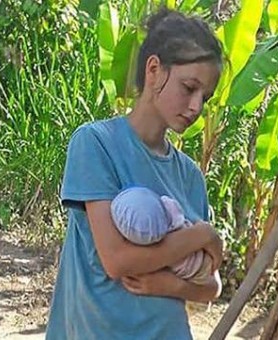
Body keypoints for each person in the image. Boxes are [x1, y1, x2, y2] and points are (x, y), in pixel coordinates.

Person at [45, 8, 224, 339]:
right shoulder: (96, 143)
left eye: (206, 97)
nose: (197, 106)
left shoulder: (190, 176)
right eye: (189, 87)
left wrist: (167, 284)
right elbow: (117, 260)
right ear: (154, 70)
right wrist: (204, 236)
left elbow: (210, 285)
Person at [110, 186, 215, 286]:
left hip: (191, 272)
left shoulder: (149, 249)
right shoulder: (172, 220)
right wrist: (204, 234)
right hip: (202, 262)